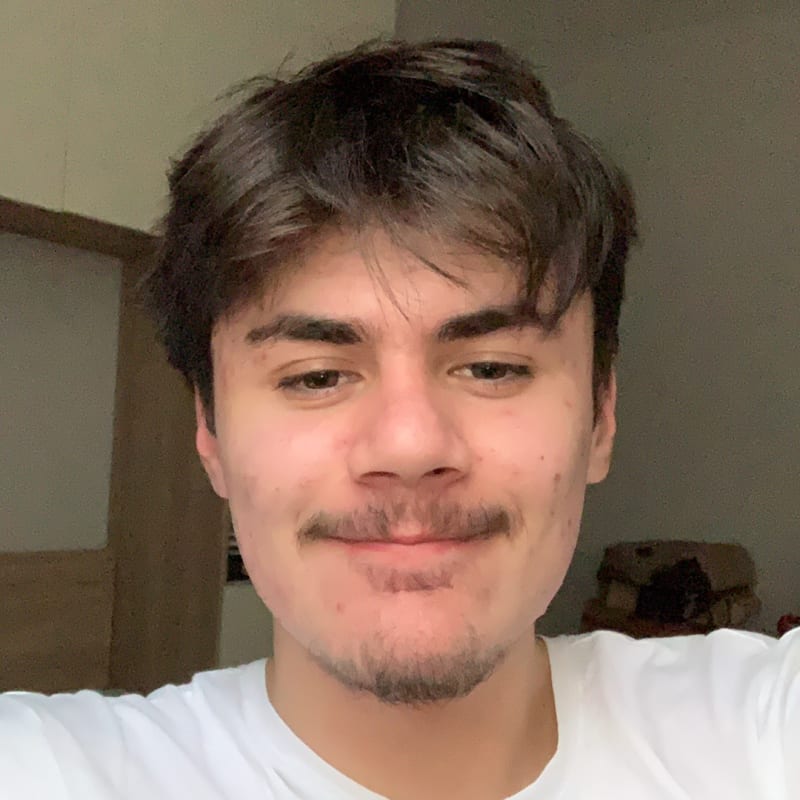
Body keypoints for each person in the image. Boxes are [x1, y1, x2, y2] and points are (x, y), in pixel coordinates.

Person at [1, 38, 797, 800]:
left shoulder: (759, 735)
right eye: (316, 377)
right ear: (210, 434)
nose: (411, 445)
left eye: (492, 368)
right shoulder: (50, 773)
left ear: (601, 416)